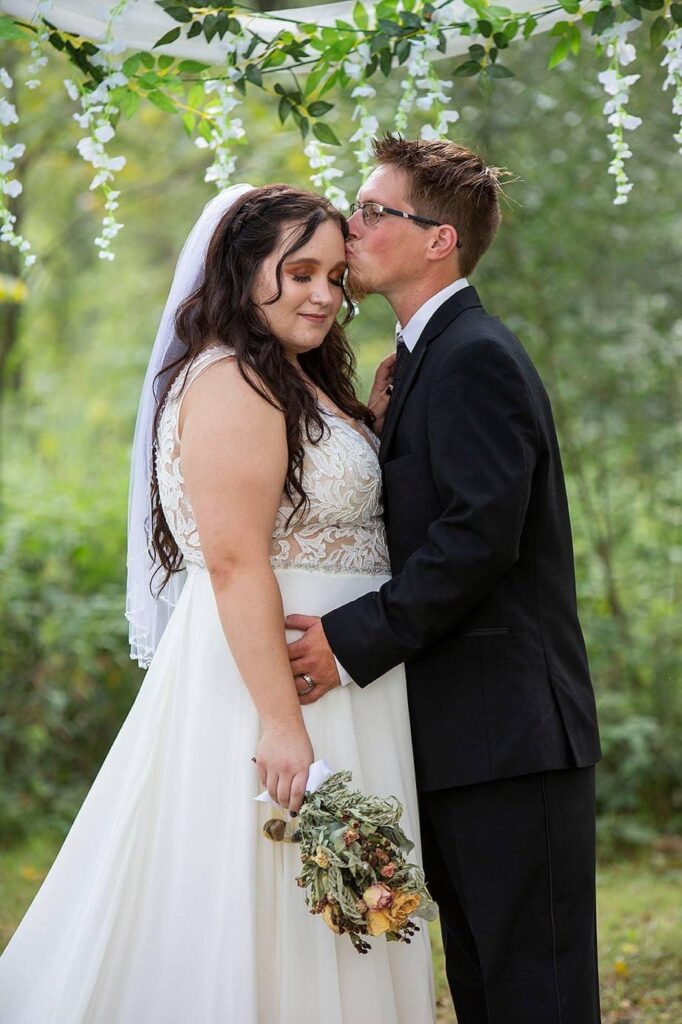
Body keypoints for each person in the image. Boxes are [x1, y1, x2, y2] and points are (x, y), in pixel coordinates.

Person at [0, 184, 436, 1023]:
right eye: (298, 271)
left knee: (337, 892)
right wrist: (279, 723)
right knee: (267, 887)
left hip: (342, 675)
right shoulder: (232, 380)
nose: (323, 295)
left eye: (335, 276)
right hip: (271, 682)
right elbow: (237, 564)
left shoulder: (296, 379)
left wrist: (373, 424)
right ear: (242, 273)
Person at [285, 136, 603, 1024]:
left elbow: (478, 539)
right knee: (485, 987)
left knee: (532, 990)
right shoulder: (425, 360)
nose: (353, 224)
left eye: (376, 211)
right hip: (463, 737)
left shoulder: (476, 357)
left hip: (514, 742)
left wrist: (350, 641)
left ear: (439, 242)